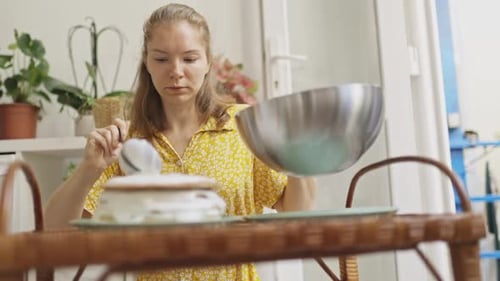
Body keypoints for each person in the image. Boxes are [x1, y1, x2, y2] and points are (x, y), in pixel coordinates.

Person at [45, 3, 316, 281]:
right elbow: (55, 232)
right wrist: (88, 169)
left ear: (208, 61)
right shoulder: (128, 142)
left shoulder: (244, 126)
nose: (176, 71)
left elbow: (297, 212)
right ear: (147, 63)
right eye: (162, 59)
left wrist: (295, 151)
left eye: (189, 59)